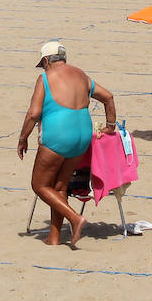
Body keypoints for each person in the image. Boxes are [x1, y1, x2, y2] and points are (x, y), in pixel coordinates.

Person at [18, 41, 116, 248]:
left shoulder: (45, 77)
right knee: (60, 186)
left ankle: (75, 218)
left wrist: (22, 138)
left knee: (40, 185)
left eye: (43, 64)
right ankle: (53, 238)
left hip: (58, 135)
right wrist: (110, 125)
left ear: (46, 60)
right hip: (82, 136)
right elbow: (108, 97)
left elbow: (34, 113)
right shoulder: (81, 75)